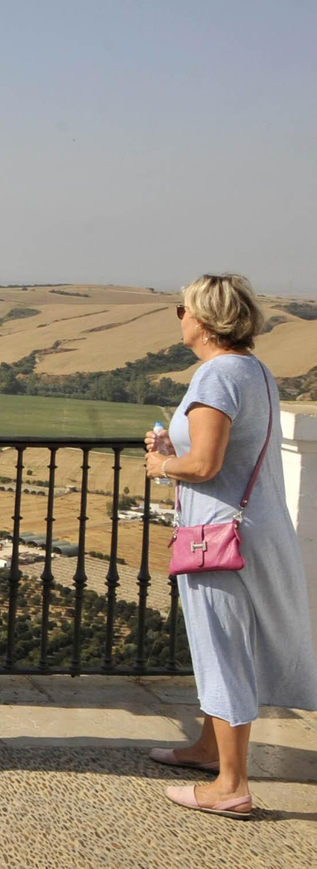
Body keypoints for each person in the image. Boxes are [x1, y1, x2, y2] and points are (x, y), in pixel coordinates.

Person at [144, 273, 317, 819]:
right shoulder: (255, 371)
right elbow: (229, 453)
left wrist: (161, 464)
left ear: (203, 319)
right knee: (223, 643)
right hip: (253, 528)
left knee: (222, 649)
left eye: (182, 309)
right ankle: (206, 748)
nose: (179, 317)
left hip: (218, 538)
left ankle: (231, 785)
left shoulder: (215, 376)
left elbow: (206, 466)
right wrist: (179, 446)